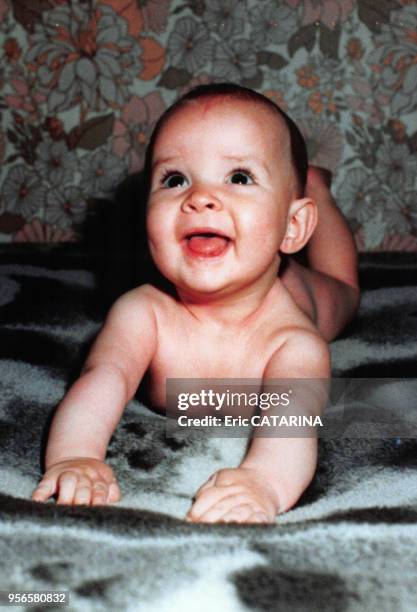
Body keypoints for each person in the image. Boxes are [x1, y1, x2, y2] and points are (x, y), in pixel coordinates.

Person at [31, 83, 359, 523]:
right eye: (175, 179)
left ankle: (316, 187)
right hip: (257, 267)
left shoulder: (295, 343)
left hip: (297, 291)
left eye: (239, 177)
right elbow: (100, 379)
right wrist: (74, 457)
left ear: (293, 226)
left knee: (344, 286)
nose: (199, 197)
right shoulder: (141, 312)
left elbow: (292, 426)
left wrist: (264, 482)